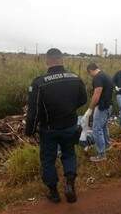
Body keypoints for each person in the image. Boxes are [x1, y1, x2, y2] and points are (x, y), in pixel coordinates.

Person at [25, 48, 87, 203]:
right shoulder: (75, 78)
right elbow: (83, 99)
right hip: (70, 125)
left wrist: (30, 130)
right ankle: (70, 184)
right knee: (69, 154)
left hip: (49, 129)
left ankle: (54, 193)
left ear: (48, 60)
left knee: (48, 160)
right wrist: (70, 108)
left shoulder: (39, 83)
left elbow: (34, 111)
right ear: (62, 59)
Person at [85, 63, 113, 162]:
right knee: (103, 127)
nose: (90, 76)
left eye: (89, 74)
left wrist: (90, 109)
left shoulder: (97, 77)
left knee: (96, 129)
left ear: (90, 71)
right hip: (108, 105)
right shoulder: (105, 75)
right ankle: (107, 145)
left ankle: (101, 154)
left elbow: (96, 95)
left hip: (102, 107)